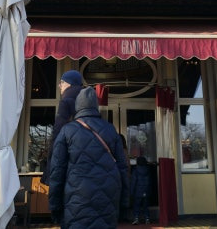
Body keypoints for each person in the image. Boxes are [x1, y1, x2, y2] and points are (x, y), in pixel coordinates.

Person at [48, 86, 129, 229]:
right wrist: (124, 203)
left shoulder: (67, 130)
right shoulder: (111, 130)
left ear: (78, 106)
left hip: (76, 201)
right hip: (108, 200)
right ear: (95, 107)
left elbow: (56, 171)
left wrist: (55, 206)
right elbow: (123, 168)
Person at [40, 69, 84, 185]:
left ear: (70, 84)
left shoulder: (66, 102)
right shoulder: (86, 101)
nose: (59, 85)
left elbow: (58, 135)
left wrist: (50, 167)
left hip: (67, 162)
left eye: (62, 82)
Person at [130, 156, 150, 225]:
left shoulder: (135, 170)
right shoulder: (148, 170)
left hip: (138, 191)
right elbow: (150, 182)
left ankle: (136, 218)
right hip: (146, 190)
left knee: (136, 205)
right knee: (146, 205)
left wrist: (131, 192)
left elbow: (133, 181)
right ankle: (147, 219)